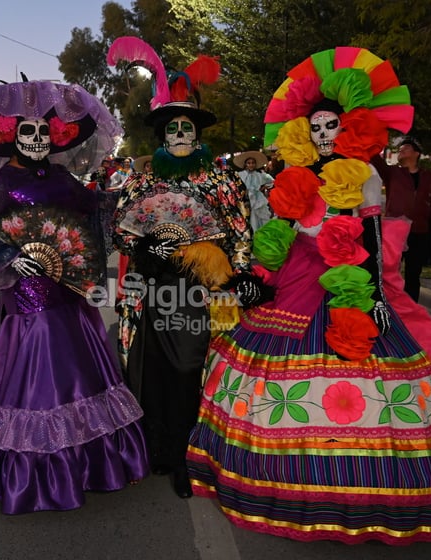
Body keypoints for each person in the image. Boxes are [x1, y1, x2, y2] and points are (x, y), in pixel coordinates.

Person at [186, 46, 431, 544]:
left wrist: (376, 293)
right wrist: (258, 275)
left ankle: (366, 490)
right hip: (296, 276)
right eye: (314, 128)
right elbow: (280, 233)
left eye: (330, 127)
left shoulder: (368, 176)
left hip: (350, 275)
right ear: (304, 133)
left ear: (349, 127)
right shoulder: (296, 176)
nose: (321, 135)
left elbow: (375, 241)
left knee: (365, 359)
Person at [0, 80, 148, 514]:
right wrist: (10, 255)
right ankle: (33, 469)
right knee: (36, 364)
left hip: (68, 288)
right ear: (11, 135)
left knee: (81, 364)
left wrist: (134, 196)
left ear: (54, 138)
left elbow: (94, 209)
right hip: (27, 292)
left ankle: (89, 462)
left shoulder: (62, 177)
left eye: (44, 134)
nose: (36, 140)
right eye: (28, 133)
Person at [109, 37, 268, 498]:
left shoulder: (220, 178)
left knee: (189, 368)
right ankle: (157, 451)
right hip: (152, 288)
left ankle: (187, 456)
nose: (180, 136)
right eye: (172, 129)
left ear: (198, 134)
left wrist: (235, 278)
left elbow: (240, 231)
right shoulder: (144, 179)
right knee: (149, 367)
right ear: (162, 135)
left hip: (199, 288)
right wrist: (149, 250)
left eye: (187, 129)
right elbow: (124, 230)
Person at [373, 138, 431, 302]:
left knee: (414, 273)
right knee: (391, 271)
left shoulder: (428, 177)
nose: (401, 151)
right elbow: (374, 158)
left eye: (405, 148)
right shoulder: (392, 173)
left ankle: (410, 307)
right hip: (395, 231)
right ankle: (389, 304)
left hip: (419, 231)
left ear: (416, 153)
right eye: (399, 149)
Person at [233, 150, 274, 232]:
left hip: (257, 199)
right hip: (245, 199)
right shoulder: (240, 174)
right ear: (245, 164)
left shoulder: (260, 175)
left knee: (258, 218)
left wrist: (263, 187)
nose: (251, 165)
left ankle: (259, 235)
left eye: (253, 163)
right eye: (249, 163)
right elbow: (236, 186)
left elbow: (271, 181)